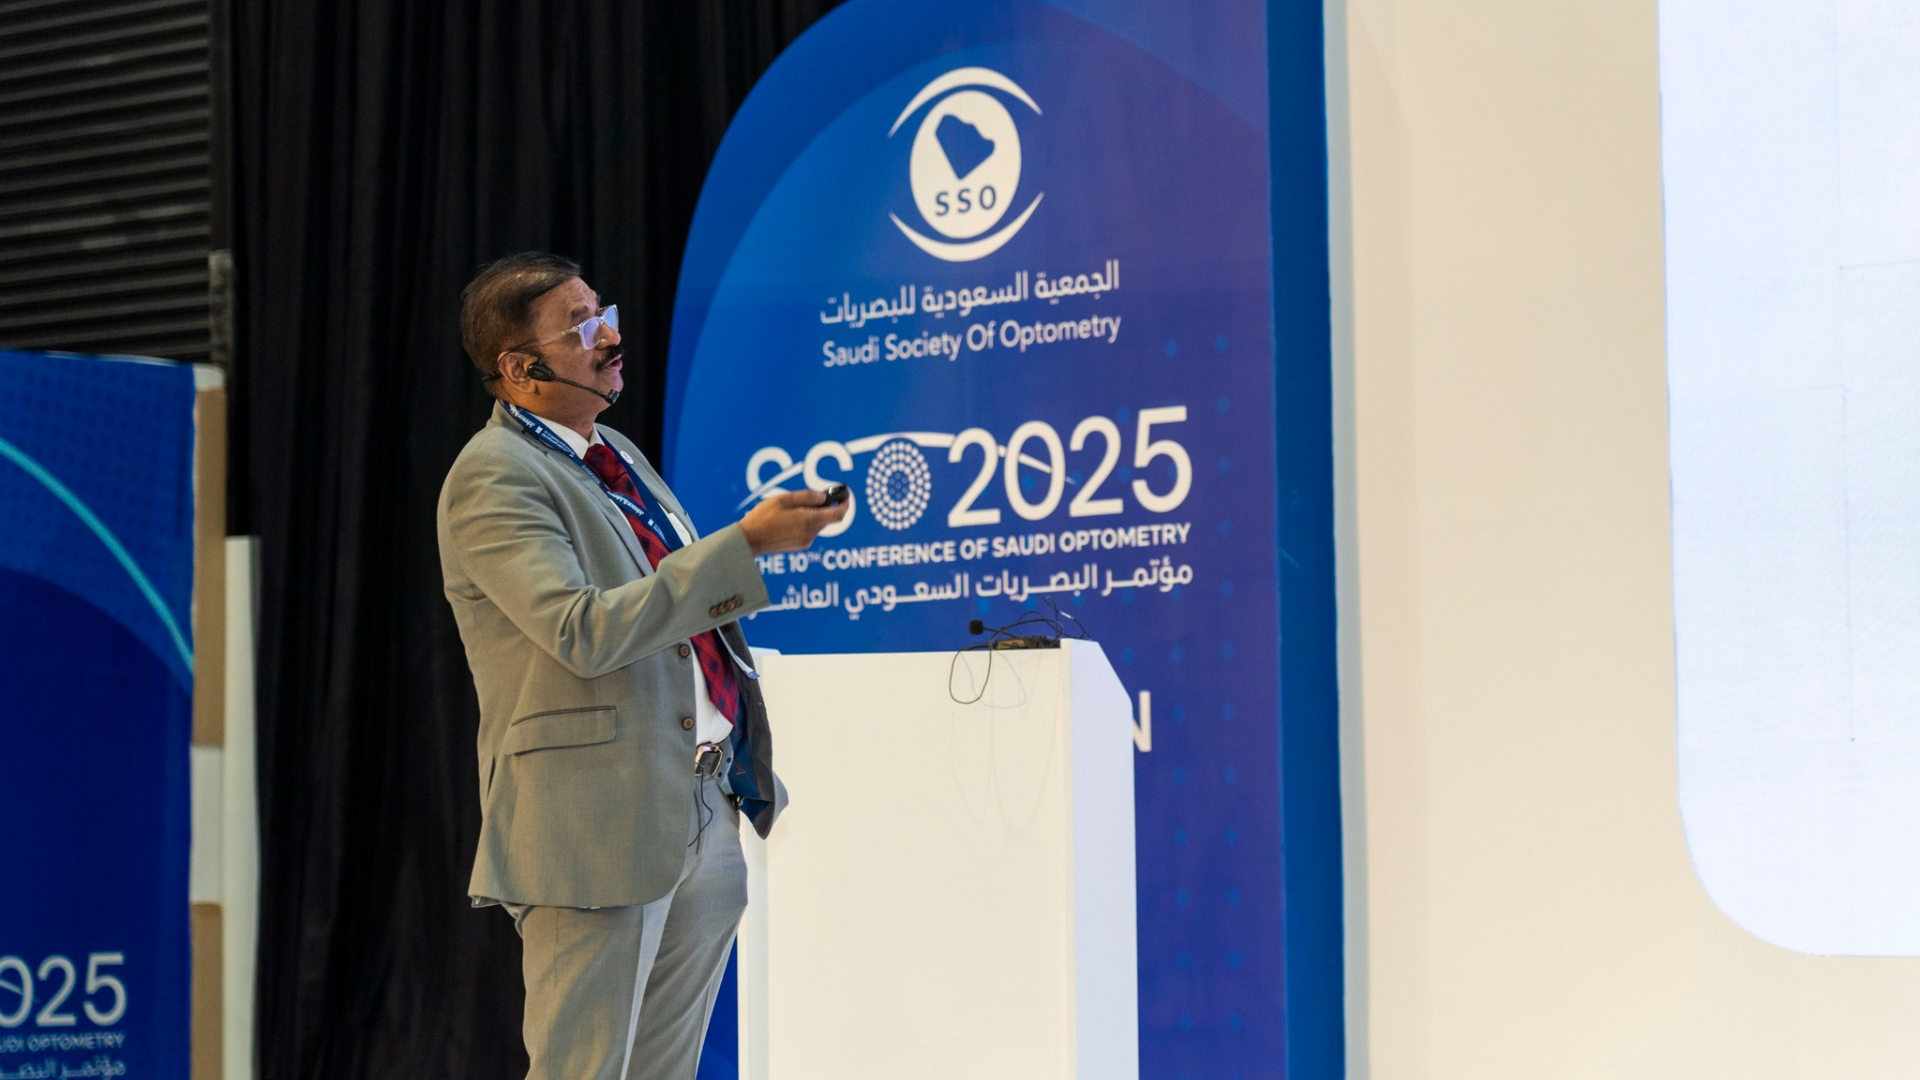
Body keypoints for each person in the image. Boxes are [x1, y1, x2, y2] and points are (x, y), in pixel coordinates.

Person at [436, 252, 844, 1080]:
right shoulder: (493, 476)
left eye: (605, 313)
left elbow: (672, 609)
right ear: (520, 368)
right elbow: (581, 630)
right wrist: (744, 546)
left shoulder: (612, 451)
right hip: (591, 823)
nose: (611, 336)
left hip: (698, 799)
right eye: (582, 326)